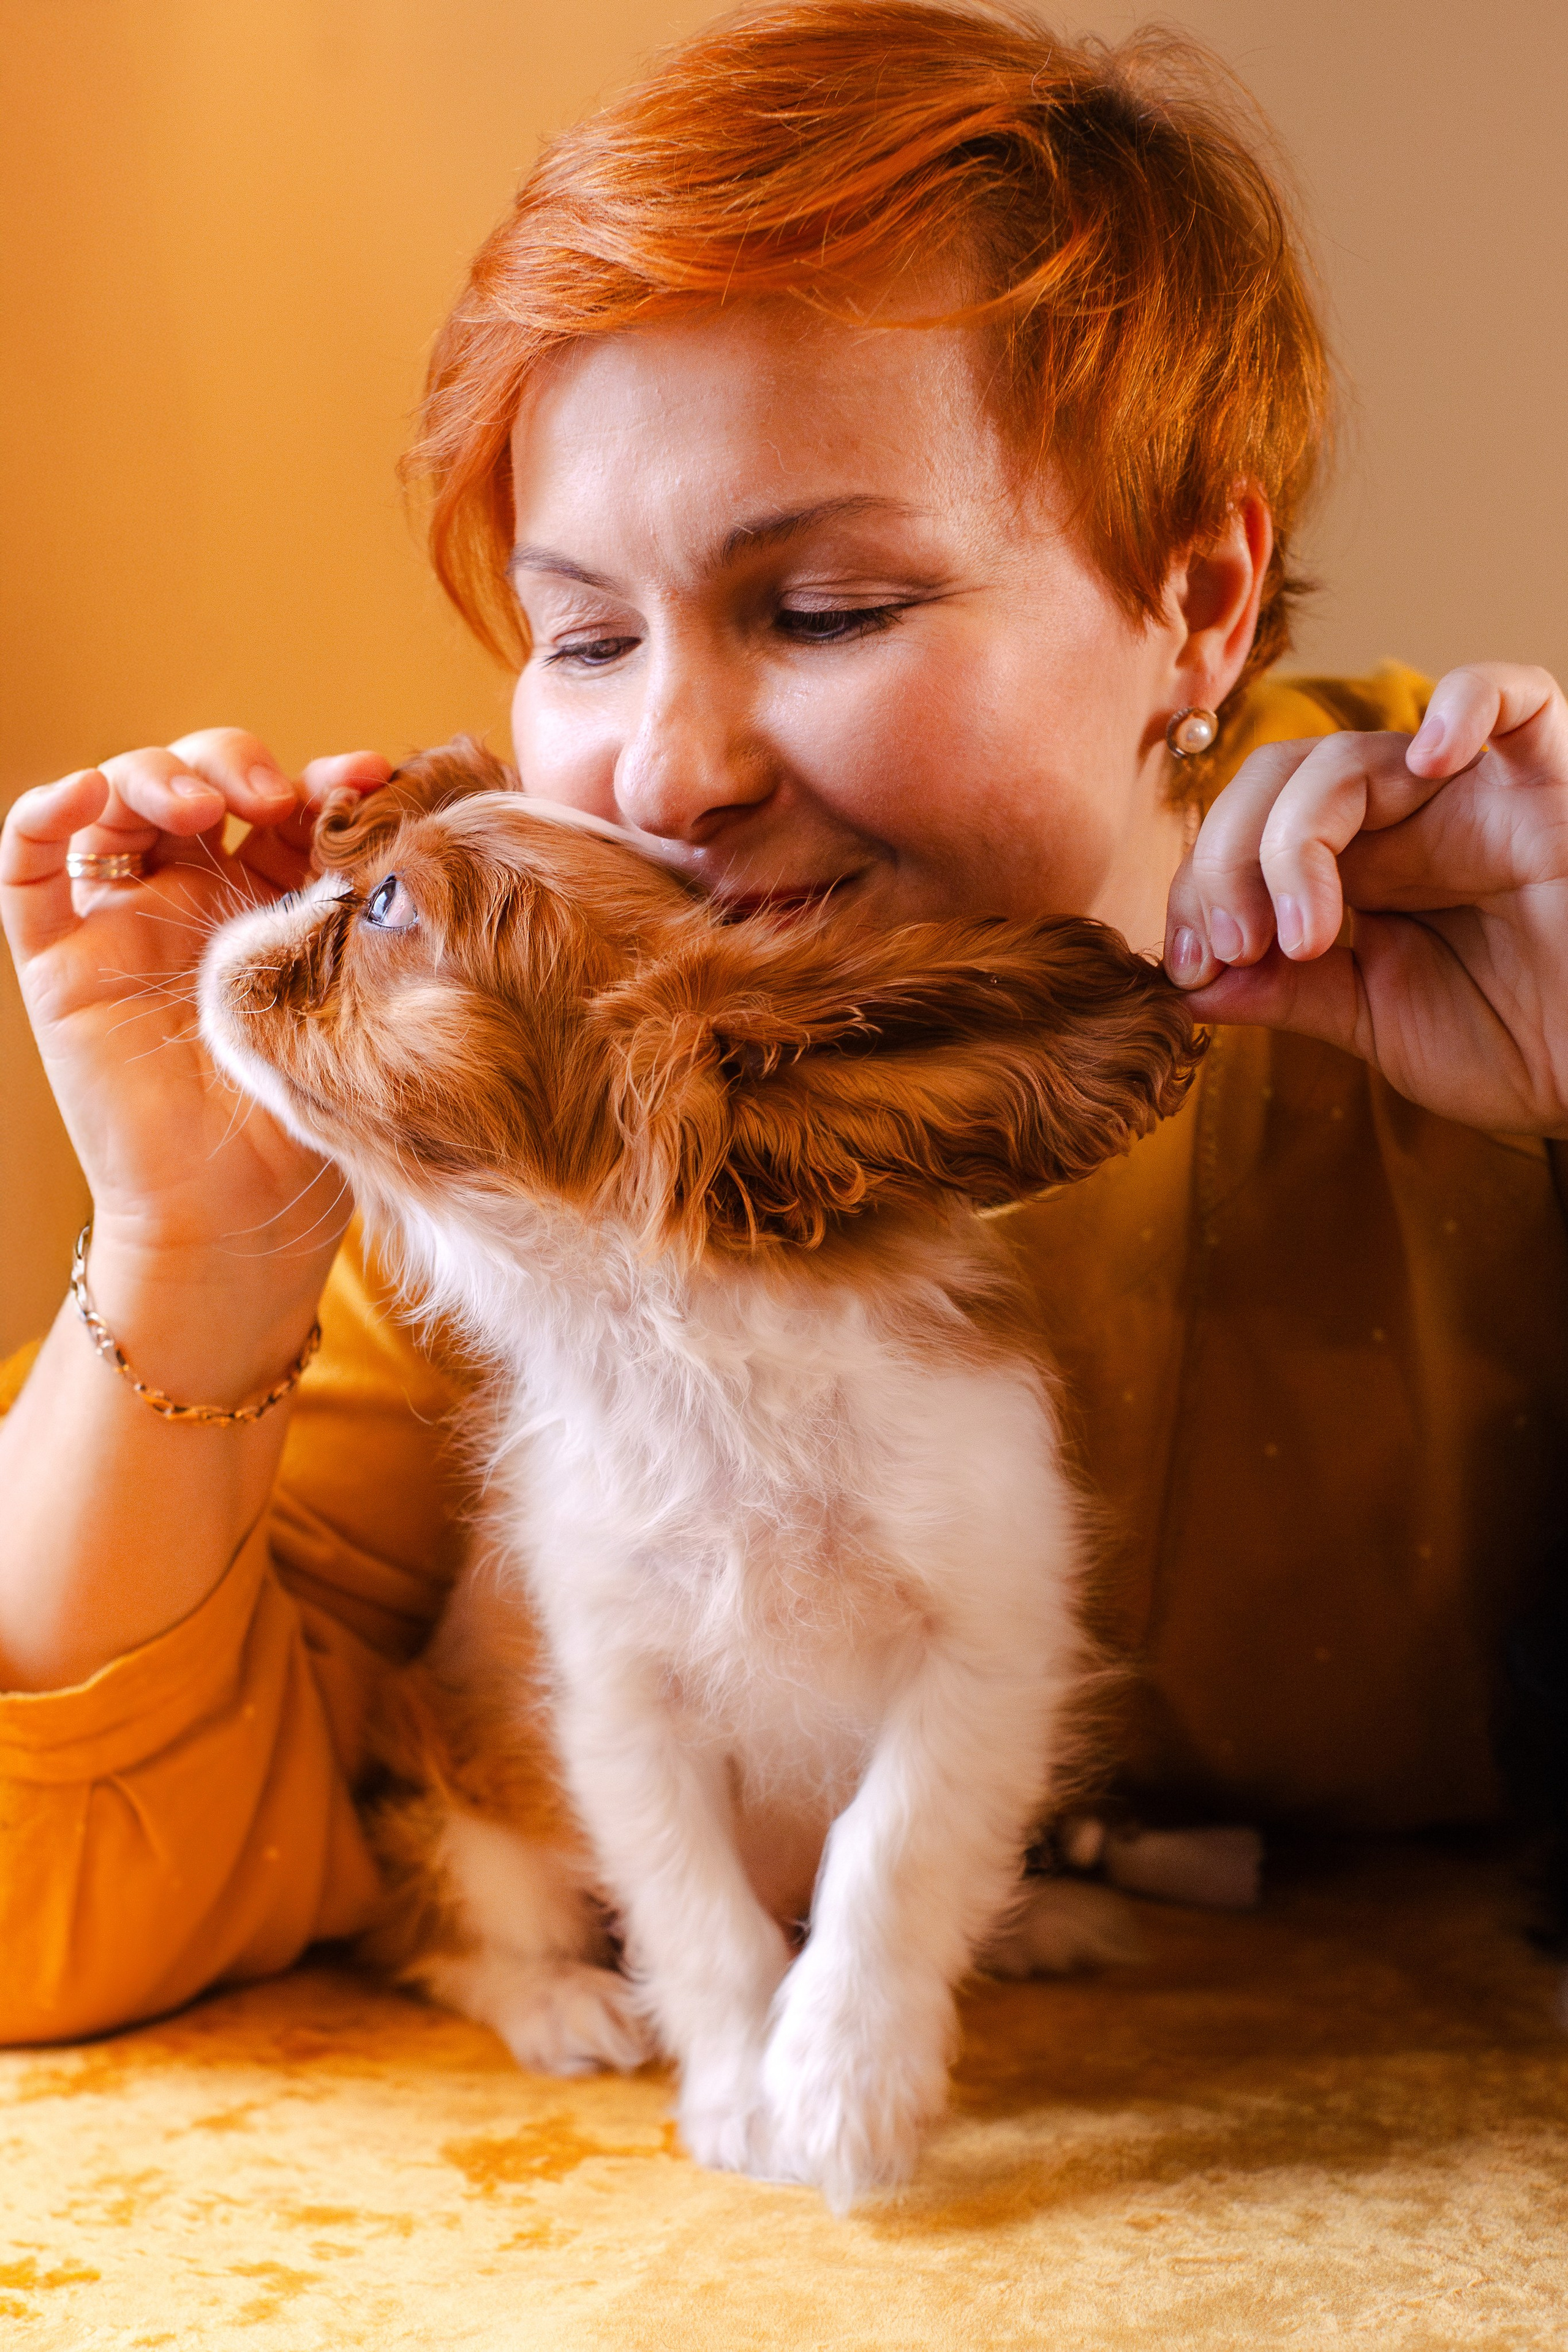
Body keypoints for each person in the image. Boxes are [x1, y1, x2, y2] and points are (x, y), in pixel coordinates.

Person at [2, 0, 1565, 2047]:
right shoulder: (533, 1083)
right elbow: (63, 1912)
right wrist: (205, 1238)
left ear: (1196, 595)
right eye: (584, 636)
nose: (667, 771)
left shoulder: (1499, 914)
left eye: (823, 612)